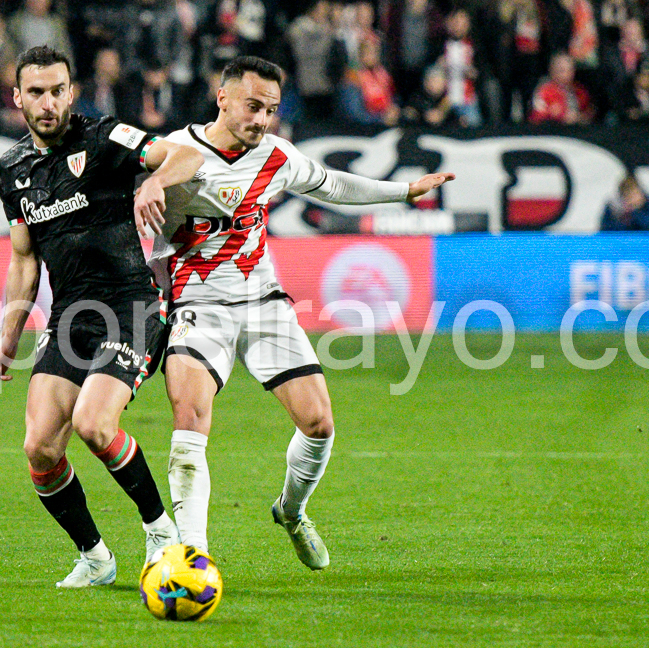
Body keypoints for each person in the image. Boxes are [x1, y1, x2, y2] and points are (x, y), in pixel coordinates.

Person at [138, 56, 452, 570]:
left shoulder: (275, 156)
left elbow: (333, 185)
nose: (261, 119)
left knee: (319, 423)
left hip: (263, 303)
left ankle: (291, 510)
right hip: (198, 304)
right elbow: (131, 212)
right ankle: (192, 555)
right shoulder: (176, 154)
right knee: (190, 419)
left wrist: (404, 192)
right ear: (223, 100)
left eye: (271, 110)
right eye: (252, 106)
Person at [0, 46, 204, 588]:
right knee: (40, 446)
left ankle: (161, 532)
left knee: (94, 424)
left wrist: (153, 181)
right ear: (17, 98)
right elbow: (23, 257)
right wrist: (6, 336)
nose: (48, 101)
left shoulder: (104, 137)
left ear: (71, 92)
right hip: (69, 317)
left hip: (130, 306)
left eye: (58, 89)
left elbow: (187, 156)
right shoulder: (11, 169)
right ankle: (96, 558)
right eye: (36, 92)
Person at [529, 52, 593, 124]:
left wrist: (580, 117)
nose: (566, 74)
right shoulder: (544, 91)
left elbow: (588, 113)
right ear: (552, 71)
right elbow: (537, 117)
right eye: (562, 70)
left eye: (570, 70)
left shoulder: (579, 91)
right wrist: (560, 116)